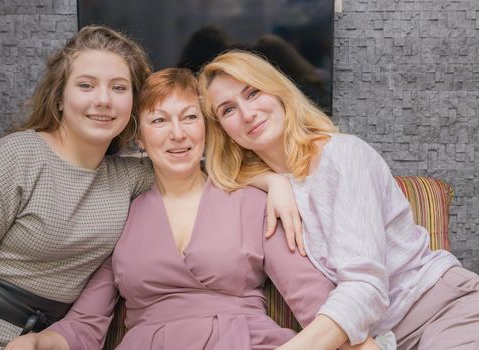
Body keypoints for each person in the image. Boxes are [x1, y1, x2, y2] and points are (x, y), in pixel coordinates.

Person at [5, 68, 384, 350]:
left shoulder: (253, 202)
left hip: (244, 340)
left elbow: (311, 297)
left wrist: (362, 344)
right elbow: (87, 321)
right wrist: (40, 343)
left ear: (206, 128)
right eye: (159, 120)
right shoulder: (122, 211)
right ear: (139, 136)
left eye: (189, 117)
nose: (178, 134)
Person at [198, 50, 479, 350]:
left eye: (253, 93)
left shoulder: (343, 156)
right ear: (222, 131)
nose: (247, 113)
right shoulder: (258, 190)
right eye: (228, 110)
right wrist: (271, 180)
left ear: (278, 91)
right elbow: (213, 172)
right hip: (374, 338)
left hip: (442, 309)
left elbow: (365, 288)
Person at [0, 25, 155, 349]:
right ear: (59, 97)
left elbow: (212, 171)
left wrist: (267, 179)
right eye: (86, 85)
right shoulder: (16, 157)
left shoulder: (130, 177)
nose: (103, 100)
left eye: (119, 88)